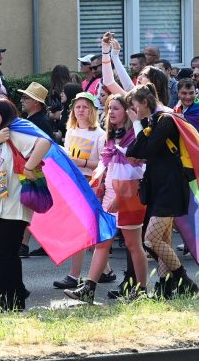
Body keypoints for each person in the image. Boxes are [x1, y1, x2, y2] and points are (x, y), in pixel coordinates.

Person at [63, 94, 148, 303]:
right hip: (111, 194)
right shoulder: (113, 136)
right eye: (109, 108)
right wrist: (100, 185)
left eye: (116, 109)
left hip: (128, 197)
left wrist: (120, 198)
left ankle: (142, 290)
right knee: (102, 243)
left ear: (127, 112)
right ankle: (88, 289)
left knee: (133, 244)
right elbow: (107, 166)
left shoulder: (133, 138)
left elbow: (137, 173)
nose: (111, 112)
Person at [0, 99, 50, 310]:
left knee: (4, 255)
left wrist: (29, 167)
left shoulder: (16, 132)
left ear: (6, 113)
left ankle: (13, 301)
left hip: (14, 206)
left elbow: (44, 142)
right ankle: (14, 289)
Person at [126, 85, 199, 297]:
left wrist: (138, 124)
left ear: (144, 103)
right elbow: (134, 150)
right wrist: (140, 127)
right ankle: (166, 289)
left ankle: (185, 282)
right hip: (160, 187)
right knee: (163, 240)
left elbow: (147, 150)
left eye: (134, 106)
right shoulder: (154, 122)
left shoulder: (166, 120)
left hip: (172, 187)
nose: (133, 110)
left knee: (151, 240)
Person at [53, 91, 106, 290]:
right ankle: (106, 271)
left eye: (85, 107)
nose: (80, 110)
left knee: (81, 231)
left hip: (89, 184)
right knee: (88, 229)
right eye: (77, 107)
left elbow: (102, 164)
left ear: (92, 110)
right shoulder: (71, 131)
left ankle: (74, 276)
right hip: (72, 183)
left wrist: (79, 162)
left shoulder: (100, 134)